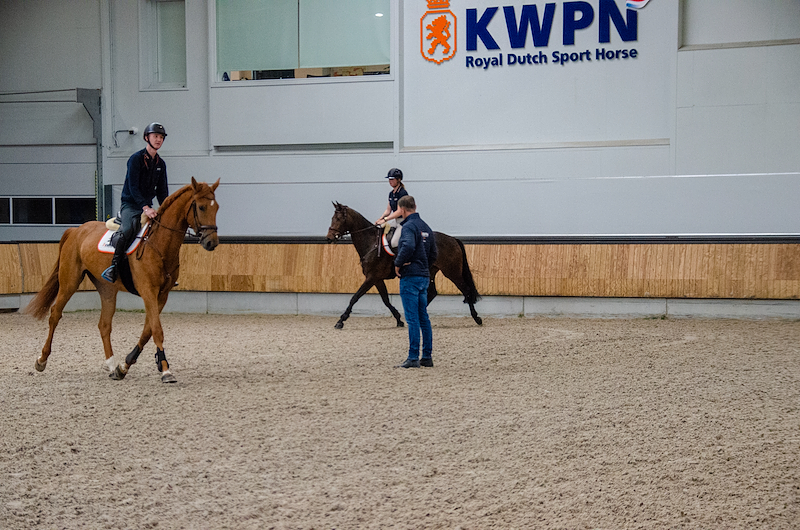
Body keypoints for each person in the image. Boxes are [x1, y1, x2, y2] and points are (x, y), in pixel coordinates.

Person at [101, 122, 169, 283]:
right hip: (131, 205)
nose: (158, 140)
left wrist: (165, 208)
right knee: (129, 229)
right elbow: (133, 187)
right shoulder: (136, 159)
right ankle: (113, 267)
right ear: (146, 138)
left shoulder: (161, 164)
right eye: (155, 136)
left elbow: (162, 191)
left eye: (161, 137)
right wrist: (145, 207)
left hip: (147, 206)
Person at [393, 195, 437, 368]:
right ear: (415, 206)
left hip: (410, 277)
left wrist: (398, 263)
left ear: (402, 210)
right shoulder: (426, 227)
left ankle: (412, 357)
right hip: (424, 276)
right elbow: (434, 253)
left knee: (412, 319)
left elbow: (408, 246)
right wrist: (424, 265)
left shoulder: (408, 227)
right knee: (423, 318)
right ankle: (426, 356)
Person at [375, 168, 408, 248]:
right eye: (389, 179)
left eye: (392, 179)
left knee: (394, 243)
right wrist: (380, 219)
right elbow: (388, 210)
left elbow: (399, 212)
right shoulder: (391, 194)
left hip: (404, 221)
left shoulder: (402, 193)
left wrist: (385, 220)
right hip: (396, 221)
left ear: (398, 180)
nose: (390, 181)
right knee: (384, 237)